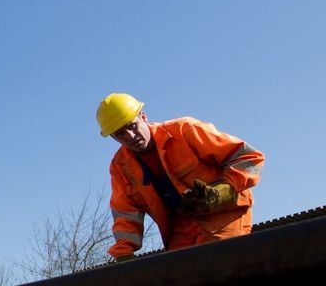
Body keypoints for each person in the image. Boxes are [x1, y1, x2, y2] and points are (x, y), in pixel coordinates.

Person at [96, 93, 264, 260]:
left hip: (223, 216)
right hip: (179, 229)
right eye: (120, 134)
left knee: (215, 263)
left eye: (132, 126)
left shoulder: (184, 130)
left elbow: (248, 158)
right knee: (180, 275)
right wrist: (123, 253)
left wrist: (221, 193)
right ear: (112, 137)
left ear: (143, 116)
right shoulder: (120, 167)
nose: (130, 136)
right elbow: (125, 213)